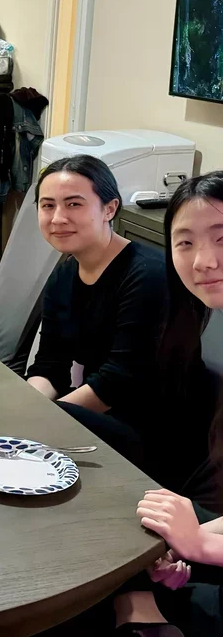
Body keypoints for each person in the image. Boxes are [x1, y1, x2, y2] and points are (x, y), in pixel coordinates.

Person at [114, 172, 223, 635]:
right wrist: (190, 544)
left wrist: (201, 545)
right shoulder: (195, 321)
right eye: (185, 243)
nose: (204, 261)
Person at [25, 155, 172, 471]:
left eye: (74, 204)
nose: (58, 218)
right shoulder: (65, 274)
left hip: (152, 432)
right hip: (94, 411)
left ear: (110, 208)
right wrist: (29, 407)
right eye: (47, 205)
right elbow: (50, 364)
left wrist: (44, 418)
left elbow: (117, 383)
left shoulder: (147, 275)